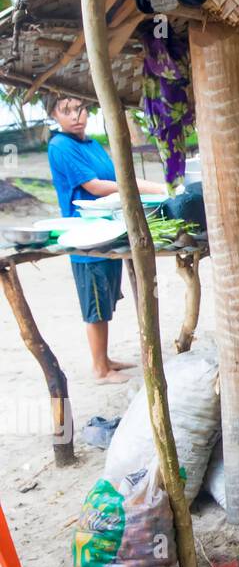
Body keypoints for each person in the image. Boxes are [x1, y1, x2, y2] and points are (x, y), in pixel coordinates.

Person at [45, 95, 163, 384]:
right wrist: (152, 187)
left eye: (80, 108)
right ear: (53, 116)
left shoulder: (92, 144)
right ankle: (100, 368)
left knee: (105, 301)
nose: (76, 116)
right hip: (86, 239)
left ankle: (105, 358)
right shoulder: (60, 146)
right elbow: (96, 187)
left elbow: (115, 177)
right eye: (66, 110)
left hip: (106, 232)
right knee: (95, 306)